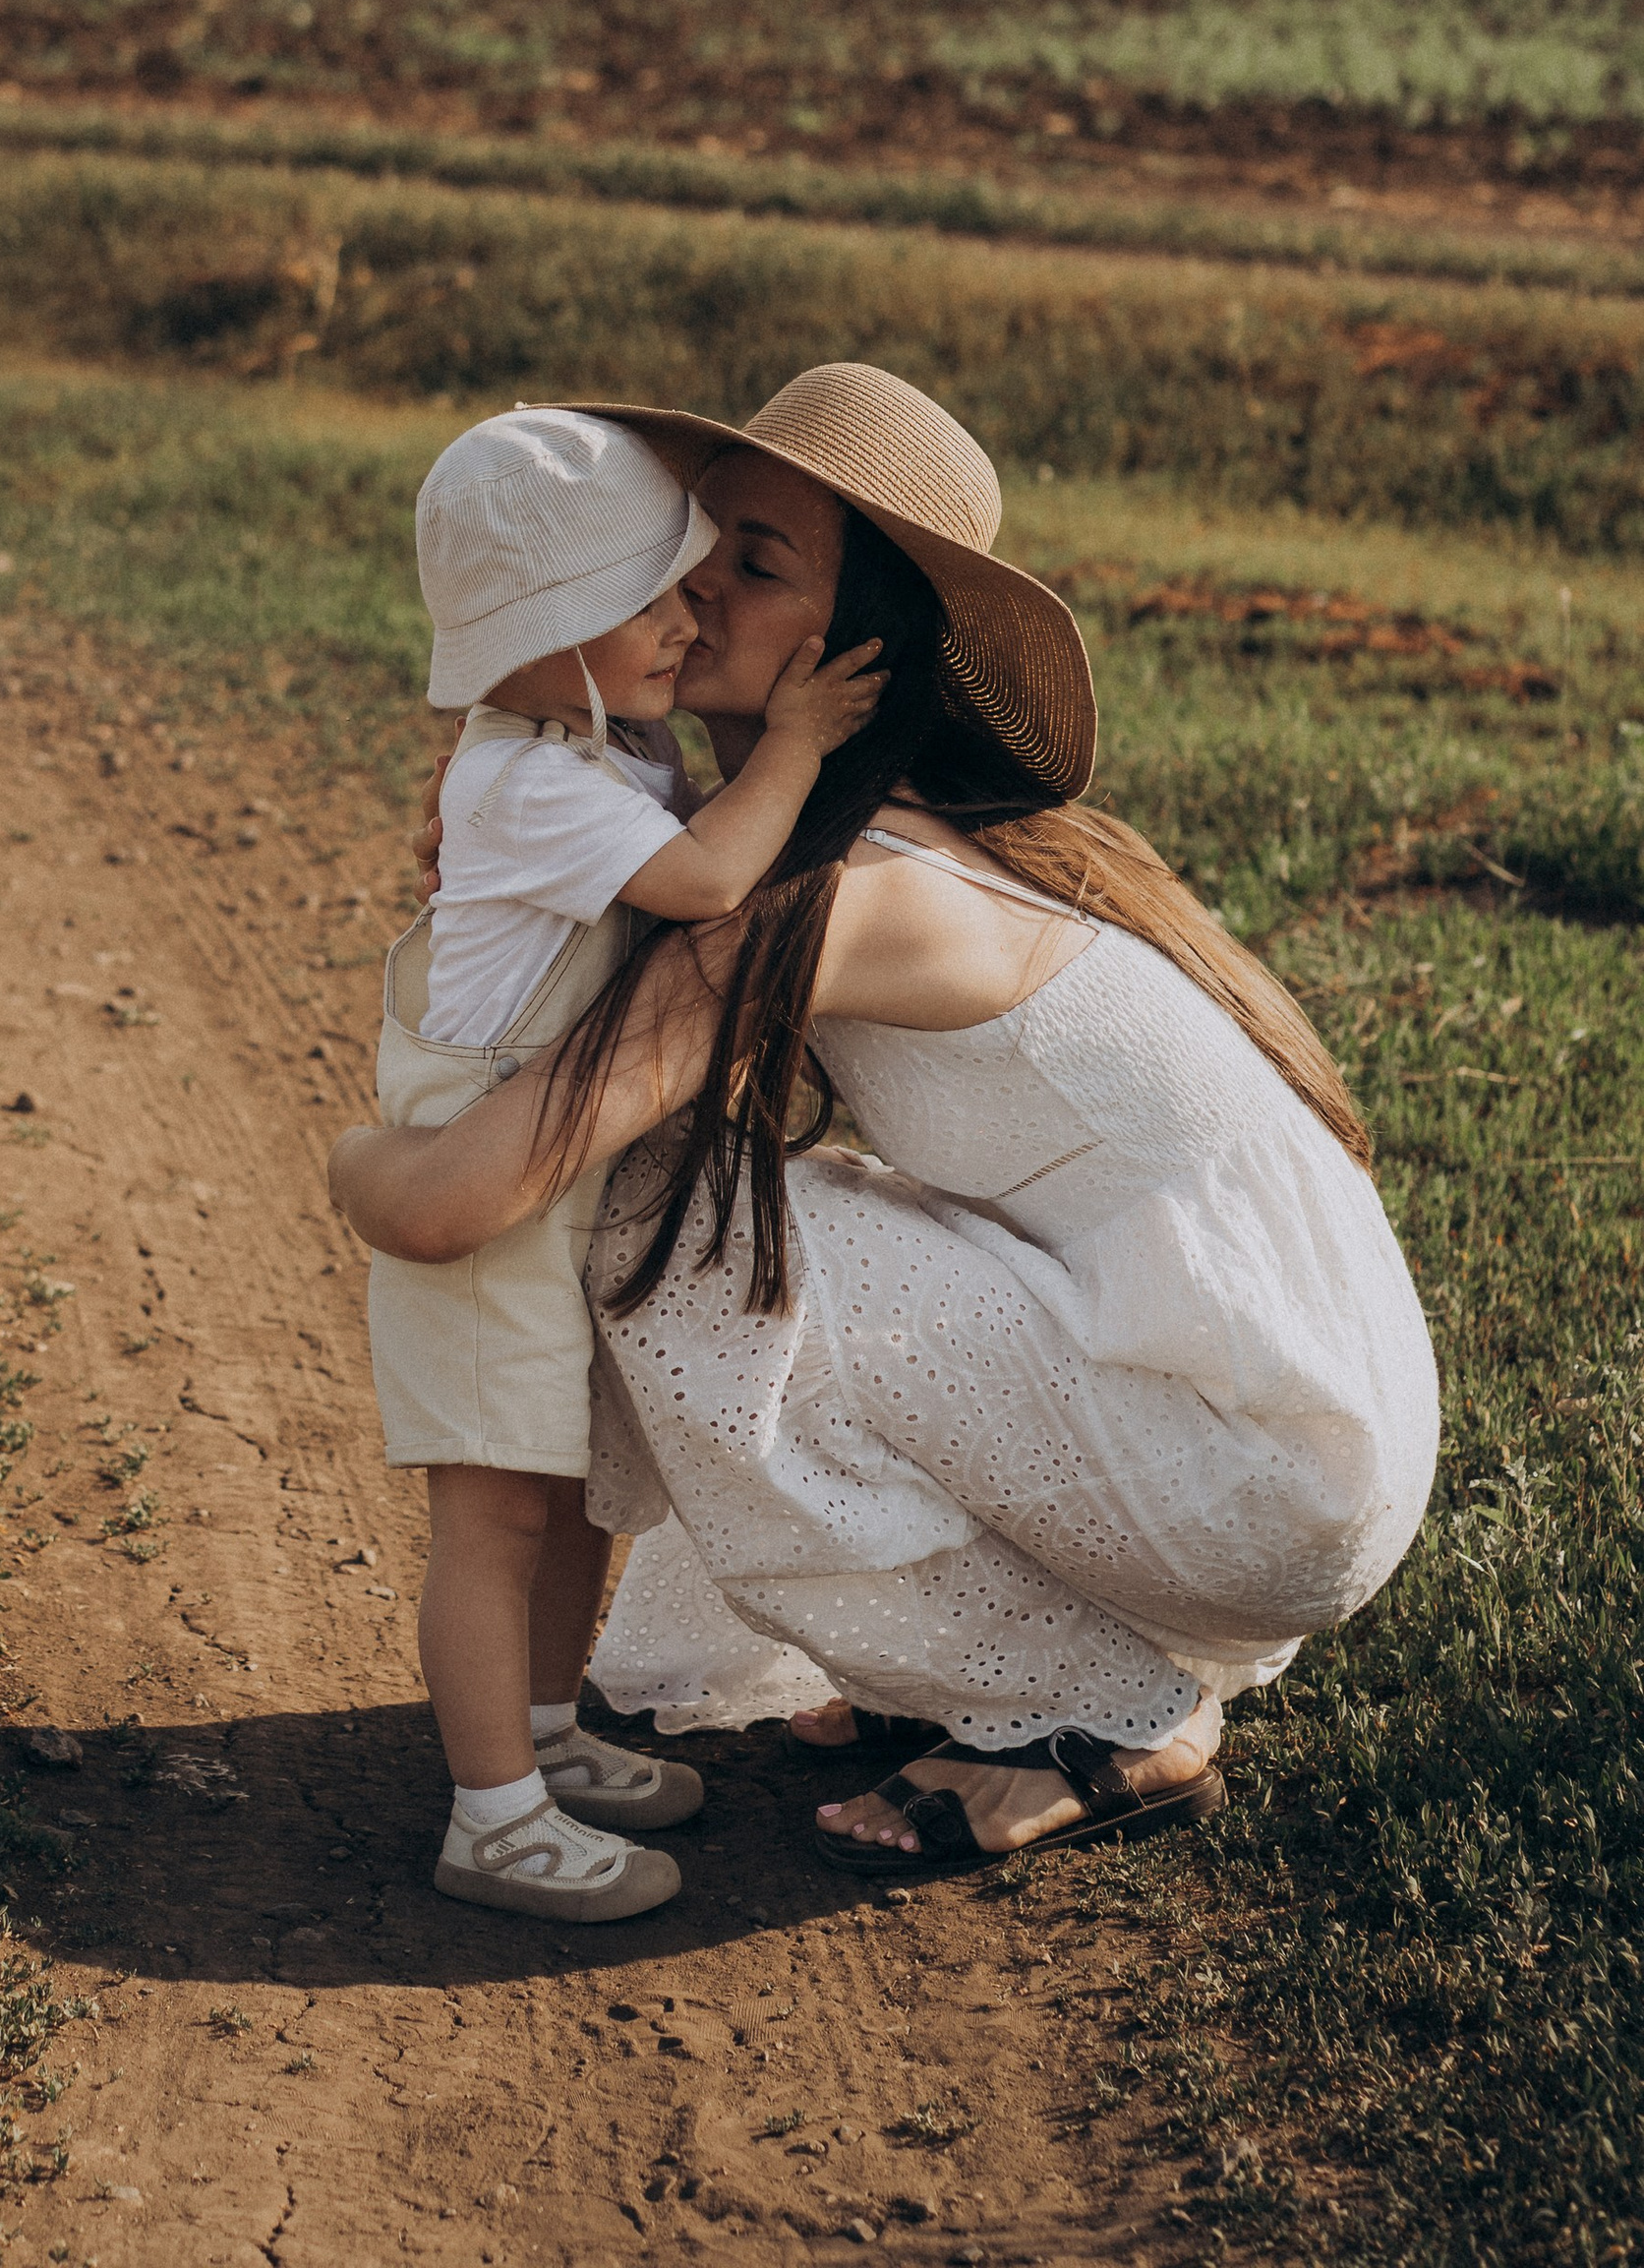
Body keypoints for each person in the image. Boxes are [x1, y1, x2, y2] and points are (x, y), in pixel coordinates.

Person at [334, 365, 1441, 1879]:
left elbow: (456, 1199)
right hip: (1281, 1415)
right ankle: (975, 1649)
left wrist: (354, 1157)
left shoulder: (847, 899)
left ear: (855, 649)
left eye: (757, 563)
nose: (689, 588)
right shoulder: (890, 834)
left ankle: (1080, 1710)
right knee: (743, 1198)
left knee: (668, 1220)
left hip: (1264, 1464)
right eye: (691, 541)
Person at [379, 404, 883, 1922]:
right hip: (482, 1182)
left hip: (553, 1166)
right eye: (656, 597)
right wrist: (796, 744)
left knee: (570, 1486)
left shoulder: (587, 747)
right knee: (493, 1508)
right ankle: (493, 1817)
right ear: (551, 634)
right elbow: (717, 876)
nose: (692, 614)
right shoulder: (530, 784)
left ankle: (543, 1735)